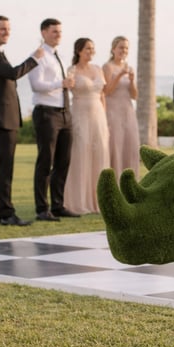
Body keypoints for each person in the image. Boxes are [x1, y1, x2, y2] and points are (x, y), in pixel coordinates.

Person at [0, 15, 42, 226]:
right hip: (1, 117)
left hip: (1, 117)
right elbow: (13, 73)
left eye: (8, 29)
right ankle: (6, 213)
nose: (7, 32)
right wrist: (34, 59)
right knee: (3, 167)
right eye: (2, 29)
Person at [28, 18, 79, 221]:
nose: (58, 34)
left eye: (60, 31)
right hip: (47, 113)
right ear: (43, 32)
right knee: (45, 161)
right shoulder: (38, 56)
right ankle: (42, 208)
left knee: (63, 161)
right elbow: (36, 85)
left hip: (65, 112)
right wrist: (62, 83)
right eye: (54, 31)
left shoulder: (61, 56)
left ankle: (58, 205)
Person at [64, 38, 111, 214]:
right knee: (81, 154)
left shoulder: (98, 69)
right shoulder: (72, 70)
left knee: (100, 154)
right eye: (87, 49)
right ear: (79, 51)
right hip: (80, 114)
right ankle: (79, 201)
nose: (91, 52)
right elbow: (66, 90)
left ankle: (98, 201)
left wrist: (105, 119)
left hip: (98, 115)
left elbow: (103, 95)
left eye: (93, 48)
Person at [103, 36, 140, 176]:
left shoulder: (129, 67)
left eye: (126, 48)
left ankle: (130, 180)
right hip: (113, 111)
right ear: (113, 49)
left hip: (128, 110)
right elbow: (106, 91)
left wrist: (131, 81)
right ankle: (115, 181)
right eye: (121, 47)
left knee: (130, 145)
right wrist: (119, 76)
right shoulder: (107, 67)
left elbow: (134, 95)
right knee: (115, 145)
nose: (123, 50)